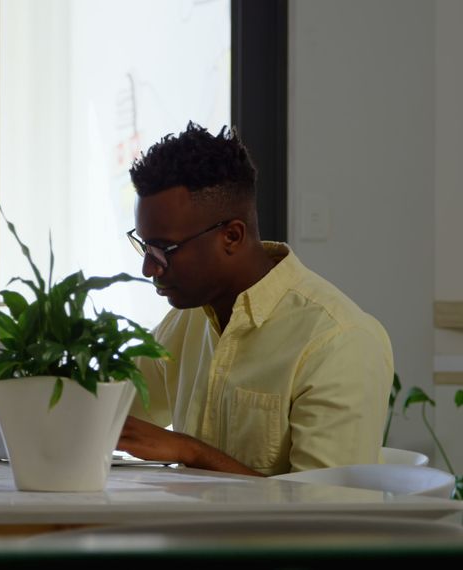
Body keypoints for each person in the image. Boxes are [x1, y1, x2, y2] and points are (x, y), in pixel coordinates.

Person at [117, 122, 394, 476]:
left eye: (163, 249)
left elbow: (324, 516)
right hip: (189, 529)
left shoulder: (339, 341)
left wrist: (191, 452)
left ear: (231, 236)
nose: (148, 268)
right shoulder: (189, 319)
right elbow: (115, 411)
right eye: (144, 245)